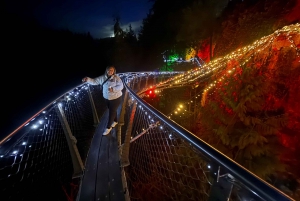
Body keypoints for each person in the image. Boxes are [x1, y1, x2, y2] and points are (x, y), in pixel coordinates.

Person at [82, 66, 124, 135]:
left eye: (112, 70)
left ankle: (108, 127)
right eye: (109, 70)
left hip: (116, 98)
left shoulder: (117, 78)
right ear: (106, 71)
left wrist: (113, 89)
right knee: (112, 110)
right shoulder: (102, 78)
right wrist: (87, 79)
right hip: (107, 98)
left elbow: (121, 86)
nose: (110, 71)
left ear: (114, 71)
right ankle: (115, 121)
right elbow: (94, 81)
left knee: (112, 112)